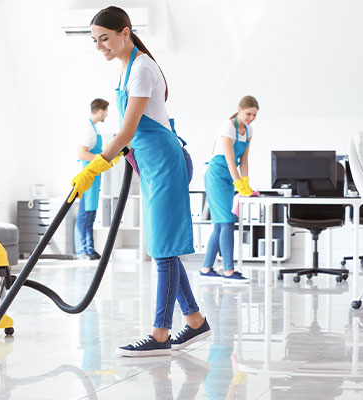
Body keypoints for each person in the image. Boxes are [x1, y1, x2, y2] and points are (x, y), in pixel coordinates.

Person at [70, 6, 210, 357]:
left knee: (162, 251)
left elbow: (129, 130)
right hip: (150, 163)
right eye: (95, 40)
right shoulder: (125, 70)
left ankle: (160, 334)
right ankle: (195, 322)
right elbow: (131, 133)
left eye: (105, 38)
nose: (99, 45)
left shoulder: (142, 68)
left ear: (125, 32)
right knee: (164, 248)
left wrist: (94, 167)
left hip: (165, 162)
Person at [201, 96, 259, 283]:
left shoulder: (248, 131)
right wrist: (238, 184)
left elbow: (244, 160)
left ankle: (206, 268)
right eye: (249, 113)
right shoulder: (228, 127)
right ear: (240, 109)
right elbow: (228, 158)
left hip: (230, 176)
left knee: (220, 224)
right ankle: (228, 270)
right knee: (226, 222)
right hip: (217, 175)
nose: (251, 118)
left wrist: (246, 182)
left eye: (255, 115)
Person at [74, 98, 109, 260]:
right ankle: (82, 250)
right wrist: (100, 159)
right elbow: (82, 153)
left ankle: (89, 248)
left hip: (94, 176)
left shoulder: (93, 128)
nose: (106, 114)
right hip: (87, 175)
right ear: (101, 111)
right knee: (85, 213)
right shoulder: (87, 129)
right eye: (106, 111)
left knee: (91, 213)